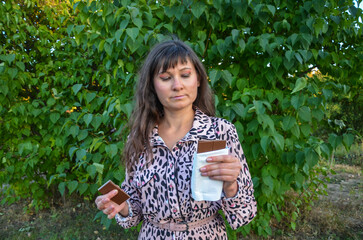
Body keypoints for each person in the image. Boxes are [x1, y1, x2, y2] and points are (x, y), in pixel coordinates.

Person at [95, 39, 257, 239]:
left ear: (198, 79)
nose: (177, 85)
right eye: (165, 77)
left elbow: (244, 215)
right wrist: (121, 206)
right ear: (153, 85)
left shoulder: (220, 133)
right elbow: (134, 211)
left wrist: (231, 186)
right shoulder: (139, 138)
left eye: (185, 75)